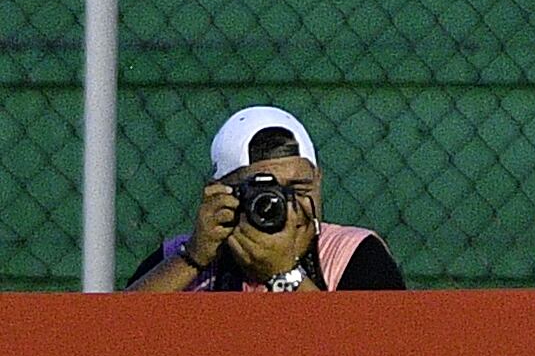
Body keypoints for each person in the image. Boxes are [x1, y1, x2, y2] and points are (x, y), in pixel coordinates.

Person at [126, 105, 406, 293]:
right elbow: (114, 335)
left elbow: (377, 354)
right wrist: (193, 258)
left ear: (318, 181)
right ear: (219, 193)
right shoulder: (183, 258)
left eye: (298, 187)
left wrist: (284, 274)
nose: (282, 205)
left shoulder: (350, 254)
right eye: (262, 192)